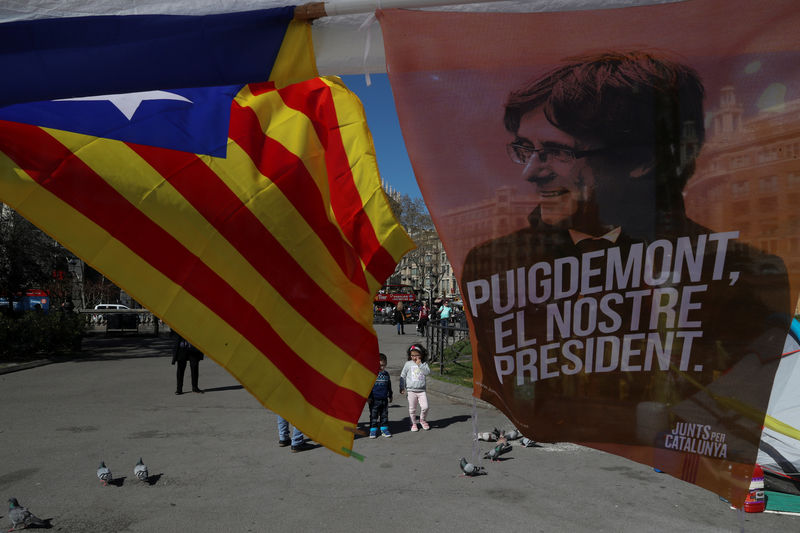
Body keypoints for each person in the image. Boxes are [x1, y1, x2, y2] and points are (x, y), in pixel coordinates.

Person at [460, 51, 790, 453]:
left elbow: (740, 406)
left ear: (640, 158)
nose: (531, 171)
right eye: (525, 148)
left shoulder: (743, 274)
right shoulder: (491, 266)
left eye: (558, 152)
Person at [399, 344, 431, 431]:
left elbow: (427, 372)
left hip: (421, 391)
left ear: (421, 355)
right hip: (411, 390)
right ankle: (413, 423)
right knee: (412, 409)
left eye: (416, 355)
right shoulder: (408, 364)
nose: (414, 357)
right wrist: (402, 387)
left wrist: (420, 364)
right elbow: (403, 375)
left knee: (425, 407)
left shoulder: (424, 364)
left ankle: (422, 420)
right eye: (412, 355)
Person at [367, 353, 393, 438]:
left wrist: (390, 395)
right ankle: (373, 430)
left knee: (384, 415)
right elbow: (368, 387)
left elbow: (389, 385)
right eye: (379, 365)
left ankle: (384, 429)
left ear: (386, 364)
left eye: (383, 365)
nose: (381, 367)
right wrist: (368, 397)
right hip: (374, 399)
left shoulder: (386, 374)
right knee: (373, 416)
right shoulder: (372, 374)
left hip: (384, 399)